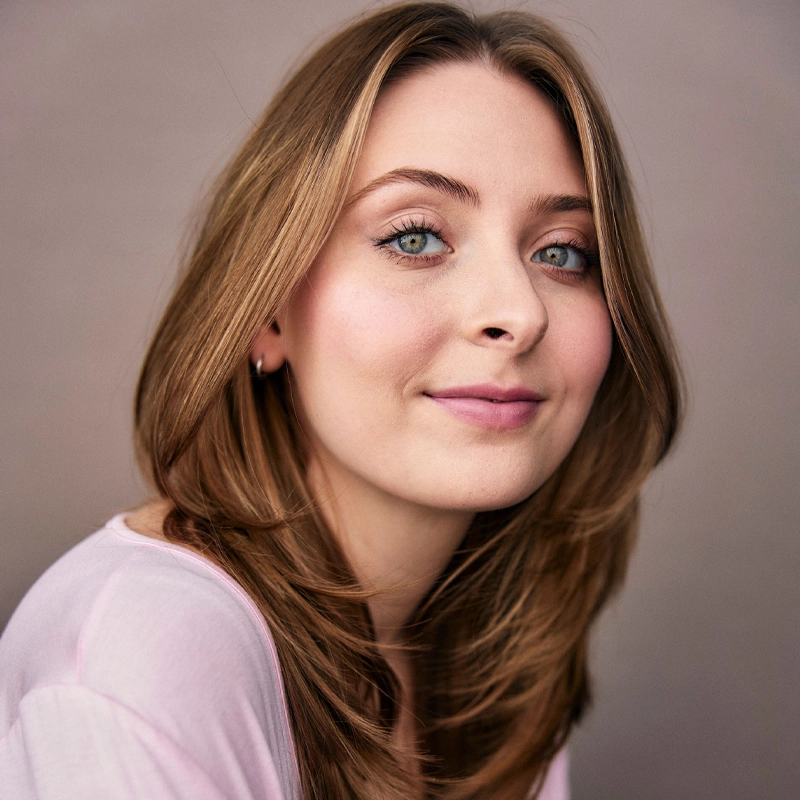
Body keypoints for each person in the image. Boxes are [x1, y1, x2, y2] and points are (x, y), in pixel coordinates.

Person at [0, 2, 682, 798]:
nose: (520, 312)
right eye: (415, 237)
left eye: (563, 252)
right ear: (267, 309)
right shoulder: (144, 648)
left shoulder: (491, 656)